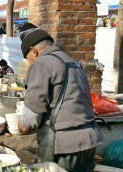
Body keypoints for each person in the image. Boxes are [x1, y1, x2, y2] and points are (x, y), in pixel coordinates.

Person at [18, 27, 103, 172]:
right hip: (89, 142)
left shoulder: (42, 63)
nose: (31, 63)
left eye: (29, 59)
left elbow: (32, 113)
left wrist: (23, 124)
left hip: (63, 146)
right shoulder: (74, 63)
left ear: (34, 51)